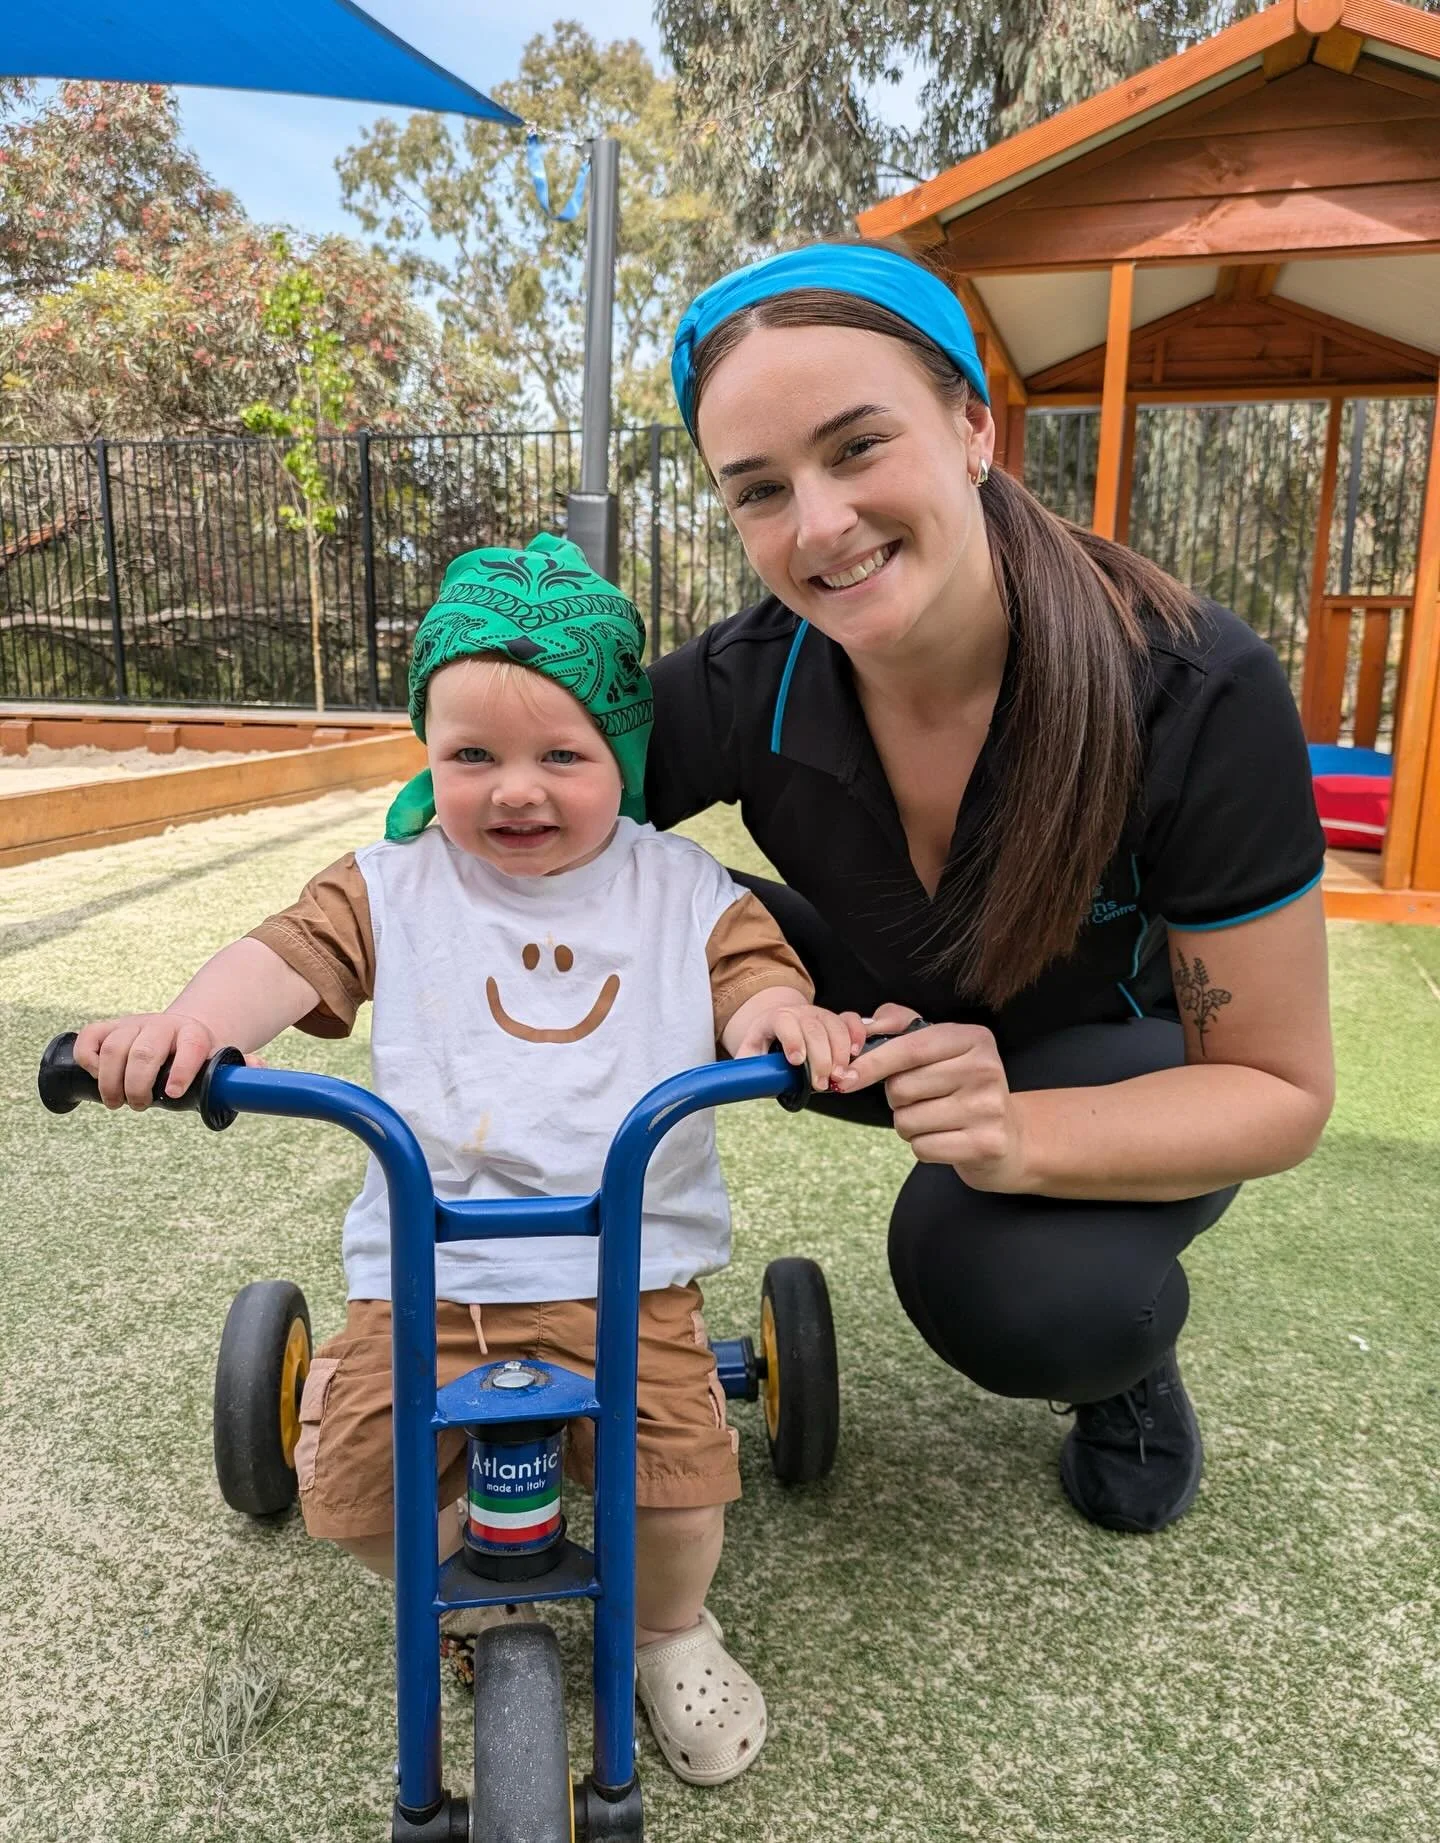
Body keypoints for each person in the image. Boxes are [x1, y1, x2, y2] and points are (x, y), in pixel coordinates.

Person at [72, 534, 863, 1788]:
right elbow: (282, 955)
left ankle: (667, 1630)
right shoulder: (389, 885)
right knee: (354, 1485)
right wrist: (192, 1023)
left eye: (565, 755)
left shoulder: (681, 887)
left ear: (623, 753)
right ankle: (474, 1596)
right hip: (427, 1273)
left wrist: (784, 1026)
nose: (517, 791)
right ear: (427, 753)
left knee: (673, 1492)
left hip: (628, 1266)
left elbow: (754, 975)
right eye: (471, 757)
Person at [648, 241, 1335, 1535]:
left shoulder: (1193, 686)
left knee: (1003, 1279)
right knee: (602, 921)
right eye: (759, 490)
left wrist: (1020, 1136)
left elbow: (1278, 1088)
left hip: (1116, 1058)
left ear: (974, 424)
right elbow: (511, 793)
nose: (819, 526)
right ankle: (572, 1297)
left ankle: (1125, 1366)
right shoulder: (744, 678)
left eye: (857, 447)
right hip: (879, 1020)